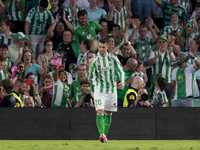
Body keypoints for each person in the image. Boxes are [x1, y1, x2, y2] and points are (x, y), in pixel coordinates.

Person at [88, 38, 125, 143]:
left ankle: (104, 136)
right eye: (99, 47)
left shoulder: (113, 58)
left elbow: (121, 70)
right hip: (99, 89)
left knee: (108, 113)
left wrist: (122, 82)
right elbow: (90, 76)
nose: (101, 49)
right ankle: (102, 135)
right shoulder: (94, 60)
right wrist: (90, 66)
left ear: (107, 47)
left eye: (103, 47)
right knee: (99, 111)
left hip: (112, 90)